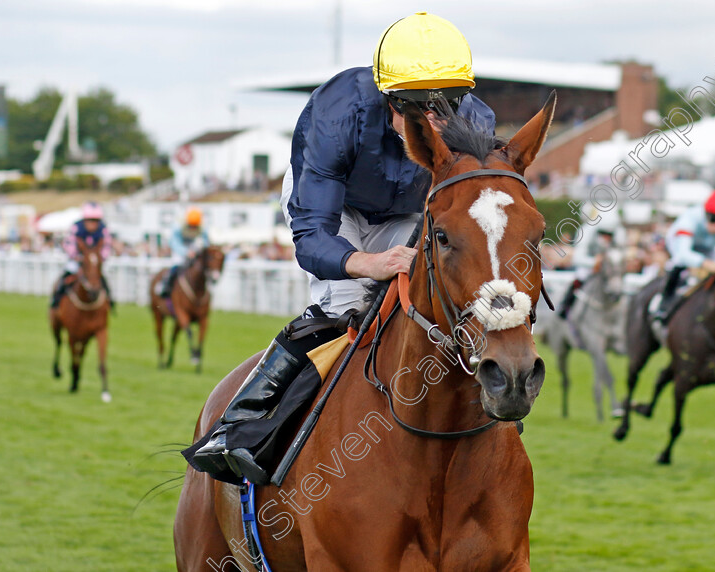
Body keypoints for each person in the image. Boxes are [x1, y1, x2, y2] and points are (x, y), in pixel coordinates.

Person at [187, 12, 496, 482]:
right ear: (387, 97)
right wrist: (367, 262)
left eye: (447, 106)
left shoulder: (476, 122)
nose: (435, 122)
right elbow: (313, 238)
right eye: (418, 108)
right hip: (337, 209)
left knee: (442, 306)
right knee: (345, 309)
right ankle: (244, 424)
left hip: (411, 211)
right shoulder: (337, 112)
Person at [655, 189, 715, 321]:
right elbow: (683, 254)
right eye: (713, 219)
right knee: (678, 264)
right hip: (681, 244)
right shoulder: (690, 218)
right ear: (705, 213)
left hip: (709, 247)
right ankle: (664, 303)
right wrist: (706, 264)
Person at [557, 212, 620, 319]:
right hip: (589, 266)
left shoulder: (617, 232)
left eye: (609, 235)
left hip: (606, 267)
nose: (607, 238)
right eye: (603, 234)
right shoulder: (586, 231)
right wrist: (594, 262)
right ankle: (565, 306)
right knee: (581, 276)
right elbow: (577, 258)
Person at [50, 201, 113, 308]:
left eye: (95, 220)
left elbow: (107, 246)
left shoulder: (103, 229)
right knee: (64, 279)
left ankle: (111, 302)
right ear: (84, 219)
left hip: (94, 262)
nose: (93, 223)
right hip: (77, 261)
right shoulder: (76, 227)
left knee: (103, 281)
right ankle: (56, 302)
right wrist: (76, 256)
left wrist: (100, 258)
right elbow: (68, 244)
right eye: (90, 220)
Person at [160, 206, 210, 298]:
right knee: (177, 264)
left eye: (195, 226)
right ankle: (165, 286)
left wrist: (198, 251)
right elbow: (174, 242)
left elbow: (206, 242)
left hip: (194, 249)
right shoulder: (177, 227)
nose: (193, 228)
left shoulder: (203, 228)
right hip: (180, 250)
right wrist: (185, 252)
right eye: (191, 225)